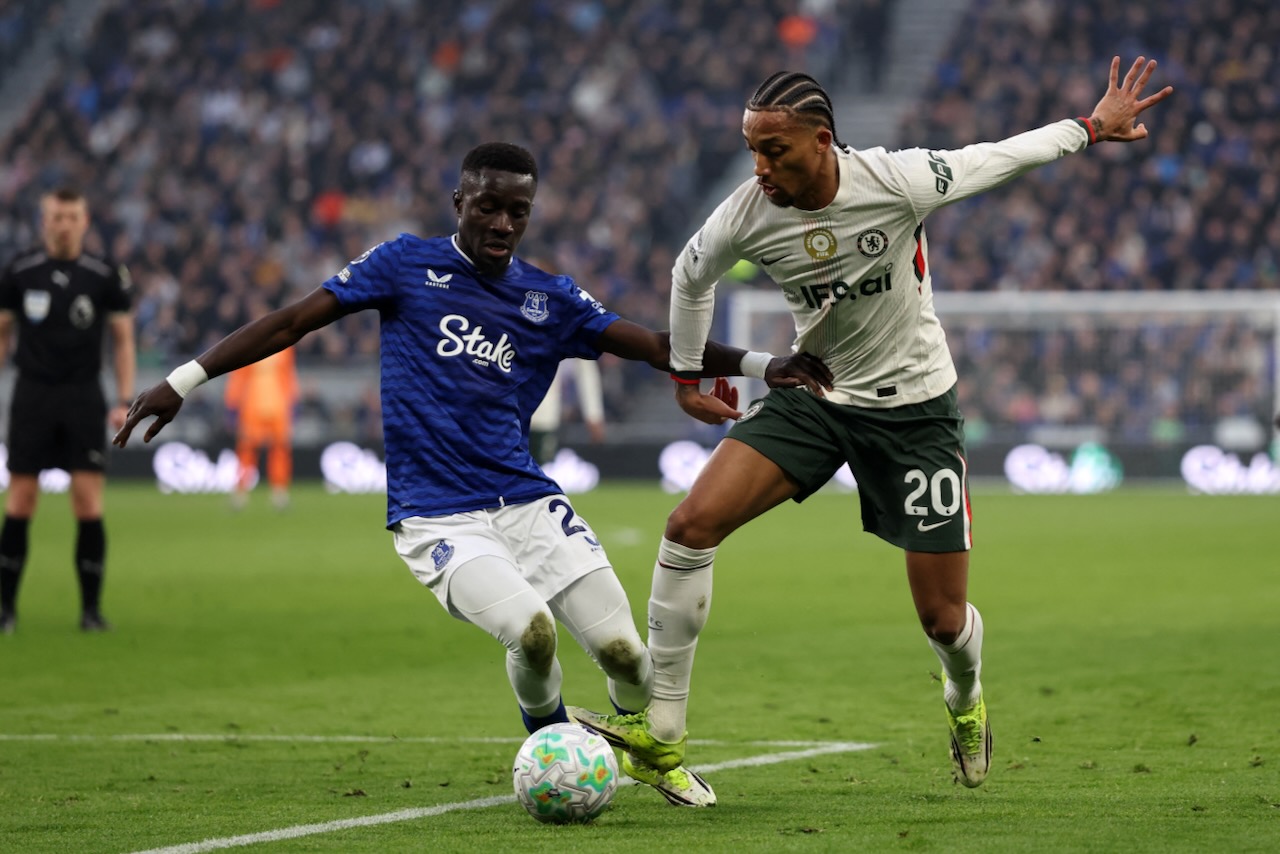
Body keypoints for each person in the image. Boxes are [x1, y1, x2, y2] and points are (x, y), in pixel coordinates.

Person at [114, 143, 832, 806]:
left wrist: (763, 364)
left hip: (526, 499)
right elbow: (293, 321)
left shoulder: (549, 298)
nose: (502, 223)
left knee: (629, 660)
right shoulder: (404, 265)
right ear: (459, 201)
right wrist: (183, 379)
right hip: (436, 514)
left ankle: (647, 752)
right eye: (488, 206)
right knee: (533, 632)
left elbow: (650, 344)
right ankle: (553, 754)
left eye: (518, 211)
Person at [569, 58, 1173, 789]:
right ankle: (662, 727)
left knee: (943, 619)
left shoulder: (897, 181)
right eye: (752, 149)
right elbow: (688, 277)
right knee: (690, 526)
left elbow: (999, 156)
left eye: (774, 150)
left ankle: (965, 695)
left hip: (916, 412)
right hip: (818, 397)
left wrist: (1090, 127)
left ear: (822, 141)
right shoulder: (746, 213)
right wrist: (691, 373)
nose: (759, 167)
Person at [0, 188, 136, 633]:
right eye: (57, 217)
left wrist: (123, 399)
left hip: (83, 396)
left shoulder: (104, 274)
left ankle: (91, 612)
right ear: (44, 221)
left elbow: (122, 340)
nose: (64, 225)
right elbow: (2, 333)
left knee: (87, 501)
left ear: (85, 221)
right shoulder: (19, 271)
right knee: (21, 499)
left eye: (72, 217)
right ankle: (5, 610)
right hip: (32, 394)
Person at [224, 333, 298, 511]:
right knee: (247, 450)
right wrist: (232, 404)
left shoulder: (286, 347)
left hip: (278, 407)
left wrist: (294, 402)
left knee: (280, 450)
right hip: (252, 407)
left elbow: (289, 376)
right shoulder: (249, 345)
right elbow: (238, 377)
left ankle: (279, 492)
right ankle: (241, 492)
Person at [529, 359, 605, 466]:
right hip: (512, 412)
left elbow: (585, 368)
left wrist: (593, 414)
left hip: (541, 418)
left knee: (541, 467)